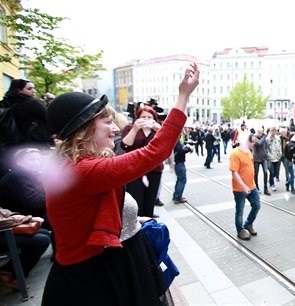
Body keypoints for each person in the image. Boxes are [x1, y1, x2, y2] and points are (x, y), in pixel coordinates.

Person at [41, 63, 198, 305]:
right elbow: (154, 152)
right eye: (107, 122)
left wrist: (132, 220)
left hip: (108, 266)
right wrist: (183, 95)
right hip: (96, 278)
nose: (115, 129)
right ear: (83, 130)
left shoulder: (78, 164)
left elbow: (93, 212)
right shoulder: (83, 170)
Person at [120, 105, 164, 218]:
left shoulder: (159, 130)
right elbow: (125, 145)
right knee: (136, 202)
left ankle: (149, 226)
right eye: (143, 117)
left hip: (154, 170)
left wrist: (160, 130)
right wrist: (135, 129)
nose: (146, 120)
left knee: (150, 201)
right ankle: (137, 228)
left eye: (149, 117)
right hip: (134, 170)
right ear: (137, 117)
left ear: (154, 118)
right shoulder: (130, 128)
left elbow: (166, 146)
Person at [0, 207, 50, 291]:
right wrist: (27, 218)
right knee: (42, 240)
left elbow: (2, 212)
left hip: (5, 227)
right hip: (3, 230)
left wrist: (18, 217)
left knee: (44, 233)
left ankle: (8, 271)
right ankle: (12, 273)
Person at [0, 79, 53, 148]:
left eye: (34, 88)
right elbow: (50, 118)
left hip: (11, 145)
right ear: (19, 90)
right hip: (36, 144)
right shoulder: (32, 103)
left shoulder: (5, 103)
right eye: (29, 89)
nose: (34, 91)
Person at [229, 133, 260, 241]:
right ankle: (240, 231)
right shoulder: (236, 154)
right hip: (240, 189)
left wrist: (252, 185)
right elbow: (234, 172)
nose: (254, 143)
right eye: (252, 141)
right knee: (240, 211)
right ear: (246, 141)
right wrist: (243, 186)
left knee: (256, 205)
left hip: (252, 186)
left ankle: (248, 224)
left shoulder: (249, 152)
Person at [169, 138, 192, 204]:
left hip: (177, 162)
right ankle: (177, 197)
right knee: (182, 179)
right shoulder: (176, 140)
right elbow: (180, 150)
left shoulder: (174, 139)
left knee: (179, 179)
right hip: (179, 162)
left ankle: (176, 195)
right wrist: (189, 149)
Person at [252, 128, 270, 195]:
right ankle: (256, 187)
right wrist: (264, 136)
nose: (260, 134)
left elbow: (266, 145)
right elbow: (259, 143)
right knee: (256, 174)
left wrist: (266, 152)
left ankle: (266, 188)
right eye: (259, 132)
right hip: (256, 158)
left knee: (265, 172)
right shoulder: (254, 137)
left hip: (263, 158)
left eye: (262, 133)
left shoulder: (263, 138)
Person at [266, 127, 282, 192]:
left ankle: (270, 180)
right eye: (272, 131)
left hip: (277, 157)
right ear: (270, 131)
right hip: (270, 158)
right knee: (271, 172)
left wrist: (280, 153)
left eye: (274, 131)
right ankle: (272, 184)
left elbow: (280, 146)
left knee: (276, 172)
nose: (273, 132)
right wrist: (269, 155)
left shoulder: (278, 138)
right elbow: (266, 148)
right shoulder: (267, 139)